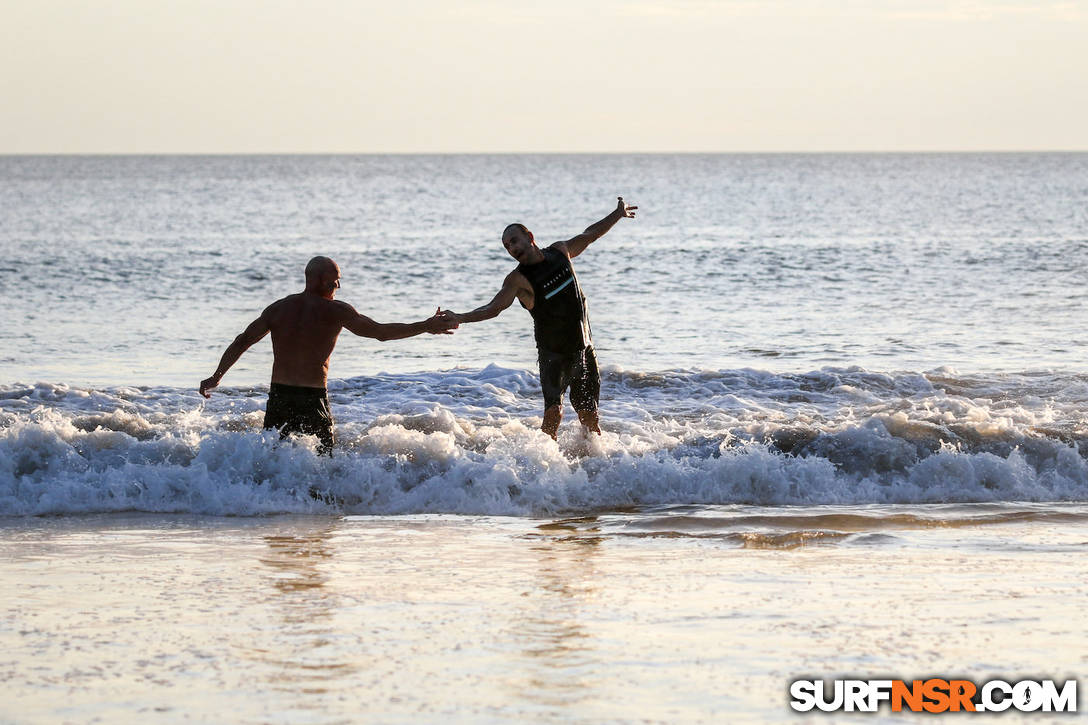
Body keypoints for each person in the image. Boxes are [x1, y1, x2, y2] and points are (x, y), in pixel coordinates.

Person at [199, 256, 457, 454]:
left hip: (280, 396)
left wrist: (217, 376)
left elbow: (242, 341)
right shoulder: (336, 310)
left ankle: (271, 506)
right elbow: (380, 332)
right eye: (335, 279)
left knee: (273, 456)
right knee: (323, 458)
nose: (339, 285)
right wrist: (425, 326)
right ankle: (319, 510)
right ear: (320, 280)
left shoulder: (278, 309)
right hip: (312, 399)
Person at [449, 197, 637, 439]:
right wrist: (460, 318)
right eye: (507, 246)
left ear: (530, 236)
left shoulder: (561, 252)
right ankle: (542, 466)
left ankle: (595, 466)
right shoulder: (518, 279)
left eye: (514, 240)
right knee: (554, 413)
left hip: (584, 350)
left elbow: (590, 235)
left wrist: (617, 214)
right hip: (553, 356)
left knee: (589, 416)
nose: (512, 248)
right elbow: (493, 308)